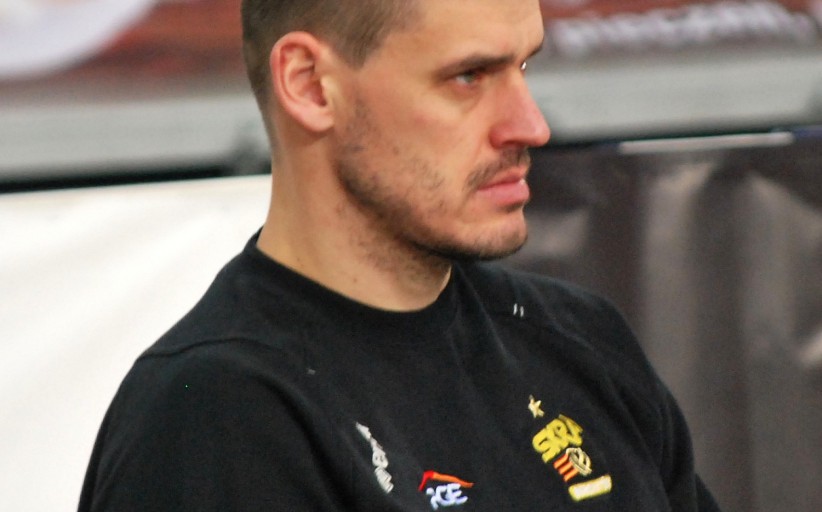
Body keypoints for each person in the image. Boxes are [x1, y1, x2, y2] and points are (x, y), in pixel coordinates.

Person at [78, 0, 722, 510]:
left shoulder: (581, 343)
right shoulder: (218, 415)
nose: (530, 125)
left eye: (523, 68)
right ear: (310, 86)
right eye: (469, 77)